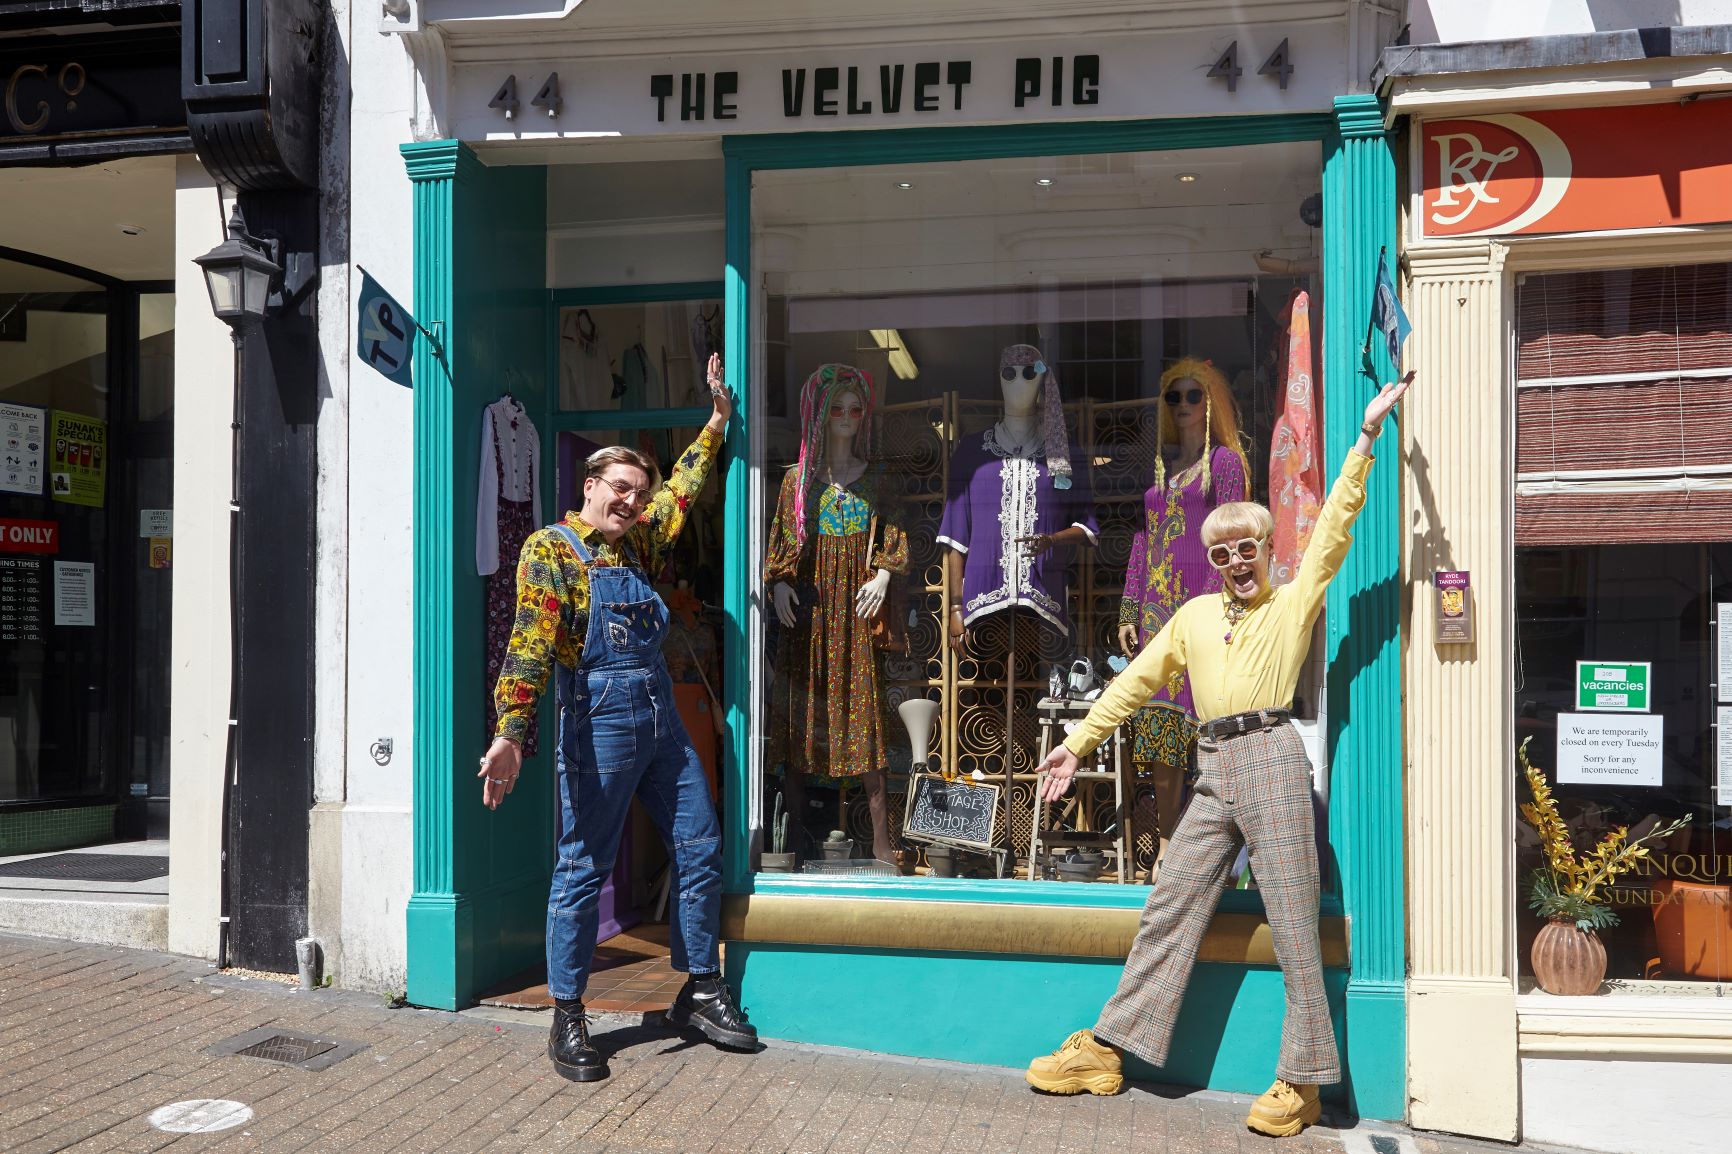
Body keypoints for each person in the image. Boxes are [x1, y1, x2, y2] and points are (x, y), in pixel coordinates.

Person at [1023, 371, 1415, 1138]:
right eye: (1224, 550)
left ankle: (1302, 1081)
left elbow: (1334, 526)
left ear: (1268, 549)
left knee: (1295, 921)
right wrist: (1074, 745)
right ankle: (1110, 1048)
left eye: (1248, 548)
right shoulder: (1196, 615)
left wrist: (1366, 438)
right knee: (1169, 903)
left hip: (1271, 756)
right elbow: (1136, 682)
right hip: (1213, 766)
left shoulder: (1293, 599)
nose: (1237, 560)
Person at [478, 352, 756, 1084]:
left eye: (639, 492)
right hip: (596, 720)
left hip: (660, 717)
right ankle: (568, 1015)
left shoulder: (638, 543)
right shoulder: (552, 551)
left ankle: (698, 989)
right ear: (590, 486)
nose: (632, 502)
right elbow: (529, 646)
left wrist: (718, 423)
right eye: (621, 489)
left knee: (699, 845)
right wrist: (511, 732)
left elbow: (685, 494)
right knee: (583, 866)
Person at [1118, 357, 1248, 870]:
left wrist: (1235, 605)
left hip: (1204, 603)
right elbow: (1142, 542)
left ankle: (1209, 847)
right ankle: (1168, 841)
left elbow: (1238, 535)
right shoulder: (1164, 471)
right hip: (1158, 607)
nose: (1184, 406)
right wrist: (1131, 605)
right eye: (1174, 397)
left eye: (1194, 395)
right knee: (1160, 723)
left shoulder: (1225, 465)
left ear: (1210, 401)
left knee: (1207, 721)